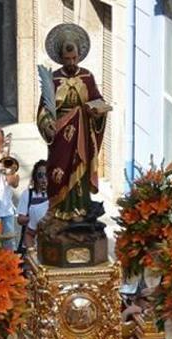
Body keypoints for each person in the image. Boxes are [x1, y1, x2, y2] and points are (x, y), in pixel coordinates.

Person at [36, 25, 108, 221]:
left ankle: (80, 207)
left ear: (79, 56)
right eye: (67, 59)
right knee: (60, 170)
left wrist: (97, 112)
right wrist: (47, 124)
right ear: (60, 58)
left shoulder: (87, 76)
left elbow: (97, 100)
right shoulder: (54, 79)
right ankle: (61, 208)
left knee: (80, 170)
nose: (71, 62)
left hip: (82, 133)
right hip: (61, 135)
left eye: (74, 58)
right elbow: (43, 109)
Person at [15, 160, 48, 251]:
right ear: (35, 177)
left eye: (46, 175)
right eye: (40, 175)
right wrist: (35, 218)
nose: (44, 179)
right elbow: (20, 219)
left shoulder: (55, 195)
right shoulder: (27, 194)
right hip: (30, 244)